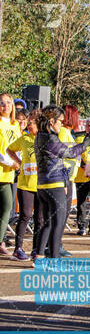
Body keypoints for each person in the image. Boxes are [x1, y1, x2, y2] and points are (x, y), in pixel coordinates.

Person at [34, 105, 90, 259]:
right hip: (54, 184)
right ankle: (53, 260)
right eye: (60, 121)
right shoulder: (50, 138)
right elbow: (70, 153)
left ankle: (39, 256)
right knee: (58, 223)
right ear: (51, 121)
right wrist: (85, 145)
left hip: (42, 185)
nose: (61, 124)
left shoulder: (40, 136)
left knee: (47, 223)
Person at [6, 109, 41, 261]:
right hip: (25, 184)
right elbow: (9, 149)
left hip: (42, 185)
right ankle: (17, 249)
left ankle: (36, 249)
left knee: (40, 219)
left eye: (31, 122)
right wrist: (19, 163)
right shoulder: (24, 139)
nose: (28, 125)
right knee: (25, 215)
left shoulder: (45, 139)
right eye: (28, 122)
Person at [58, 104, 81, 257]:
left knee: (64, 213)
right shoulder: (63, 132)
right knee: (61, 213)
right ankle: (54, 244)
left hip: (68, 176)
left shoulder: (67, 132)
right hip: (63, 177)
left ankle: (57, 243)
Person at [0, 93, 21, 256]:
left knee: (7, 208)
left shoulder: (15, 125)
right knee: (6, 207)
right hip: (4, 168)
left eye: (8, 103)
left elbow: (17, 148)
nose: (5, 106)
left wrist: (19, 162)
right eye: (1, 103)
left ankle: (1, 241)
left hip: (9, 174)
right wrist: (11, 163)